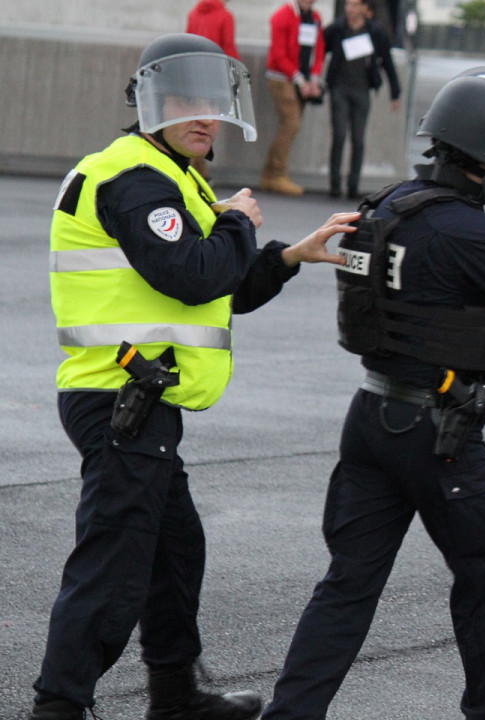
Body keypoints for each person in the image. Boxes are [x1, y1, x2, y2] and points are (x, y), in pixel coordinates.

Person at [33, 33, 358, 720]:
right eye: (186, 101)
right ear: (149, 103)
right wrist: (237, 222)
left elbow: (223, 287)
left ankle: (175, 695)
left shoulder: (171, 177)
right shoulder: (135, 178)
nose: (204, 115)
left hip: (141, 398)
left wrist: (291, 255)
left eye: (213, 102)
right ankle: (58, 706)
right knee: (115, 563)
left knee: (174, 550)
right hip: (122, 396)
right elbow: (194, 273)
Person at [261, 67, 485, 720]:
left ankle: (289, 716)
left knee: (348, 585)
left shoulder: (391, 205)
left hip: (374, 415)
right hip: (439, 433)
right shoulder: (468, 232)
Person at [323, 0, 402, 199]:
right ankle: (334, 184)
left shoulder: (375, 32)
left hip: (362, 90)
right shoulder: (336, 29)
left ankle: (352, 185)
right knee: (339, 135)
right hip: (340, 88)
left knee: (358, 139)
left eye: (355, 5)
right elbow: (319, 52)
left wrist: (395, 92)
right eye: (348, 5)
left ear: (364, 9)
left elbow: (387, 61)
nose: (350, 9)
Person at [261, 0, 326, 197]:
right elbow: (279, 54)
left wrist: (313, 78)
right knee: (291, 124)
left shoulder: (314, 18)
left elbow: (319, 50)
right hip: (282, 79)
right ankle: (276, 174)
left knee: (291, 125)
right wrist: (300, 80)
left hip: (301, 80)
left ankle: (271, 174)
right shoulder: (282, 16)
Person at [186, 0, 241, 179]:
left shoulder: (194, 12)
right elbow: (228, 47)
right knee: (207, 124)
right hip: (212, 75)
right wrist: (236, 73)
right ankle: (199, 172)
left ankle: (197, 170)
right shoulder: (225, 16)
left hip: (193, 73)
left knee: (193, 122)